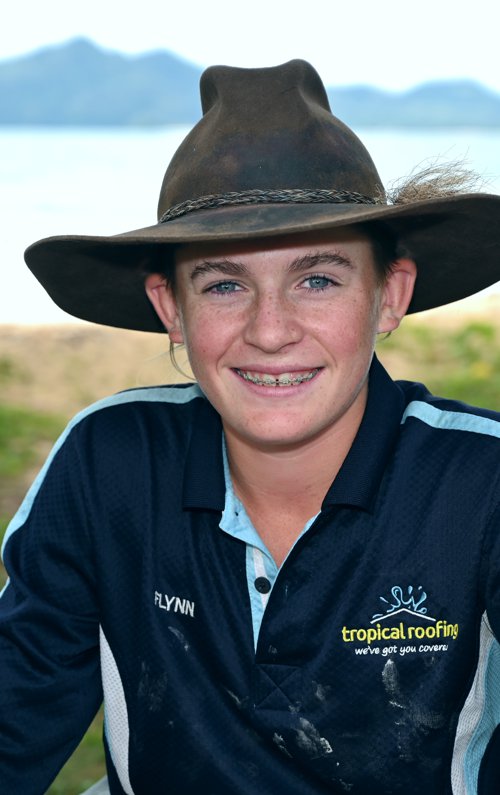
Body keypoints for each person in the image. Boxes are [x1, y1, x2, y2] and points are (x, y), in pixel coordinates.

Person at [1, 59, 500, 795]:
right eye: (224, 284)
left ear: (389, 296)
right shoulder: (111, 461)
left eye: (317, 279)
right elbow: (17, 706)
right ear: (171, 308)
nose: (270, 331)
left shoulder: (479, 480)